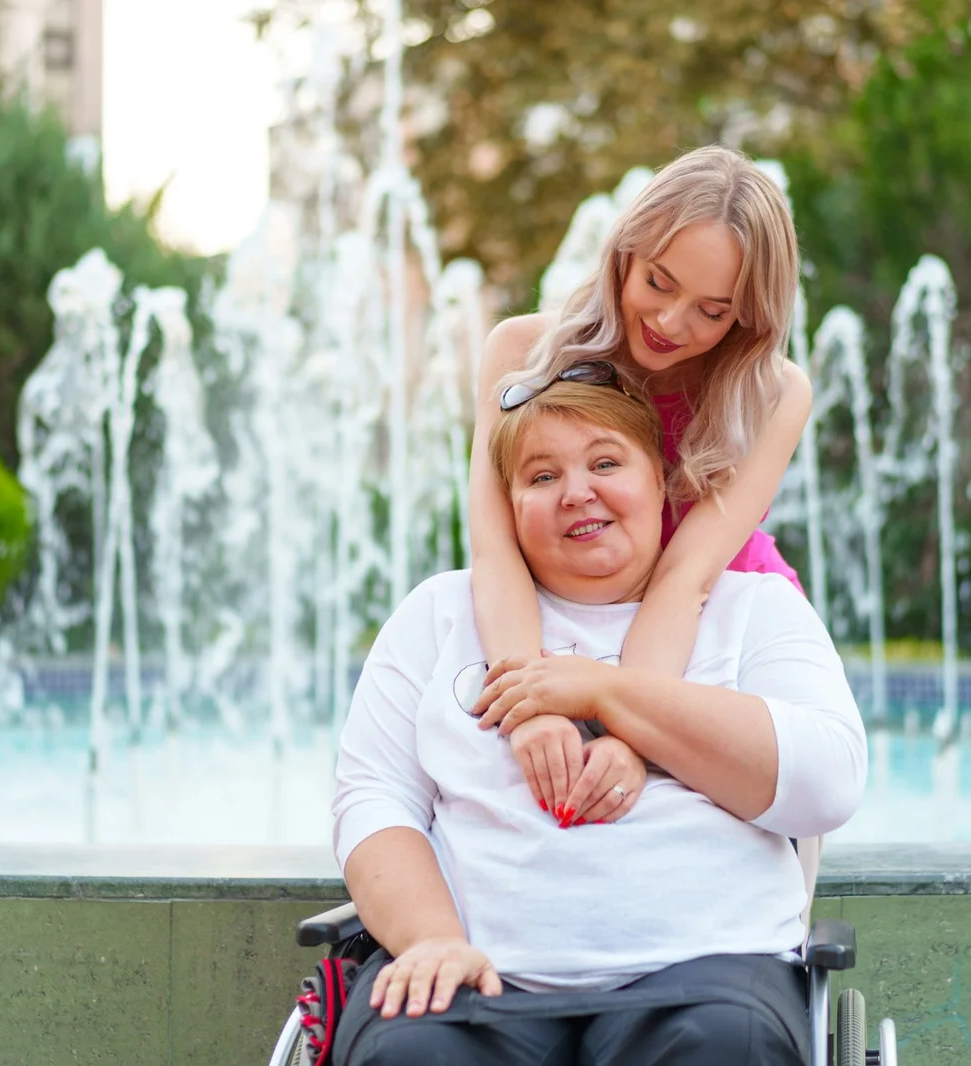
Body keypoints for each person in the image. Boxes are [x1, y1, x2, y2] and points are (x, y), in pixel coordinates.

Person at [330, 380, 866, 1065]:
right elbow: (373, 798)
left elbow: (828, 783)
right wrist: (431, 938)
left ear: (661, 481)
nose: (576, 493)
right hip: (471, 970)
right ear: (507, 504)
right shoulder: (439, 614)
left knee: (727, 1047)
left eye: (606, 463)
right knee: (412, 1054)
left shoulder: (754, 609)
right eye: (542, 476)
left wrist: (609, 694)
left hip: (709, 968)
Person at [470, 145, 812, 823]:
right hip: (565, 624)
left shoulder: (776, 394)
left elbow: (686, 580)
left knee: (776, 845)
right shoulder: (521, 353)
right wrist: (533, 709)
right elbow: (494, 548)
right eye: (658, 282)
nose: (670, 322)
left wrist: (632, 736)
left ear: (748, 315)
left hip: (723, 631)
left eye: (712, 311)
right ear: (625, 253)